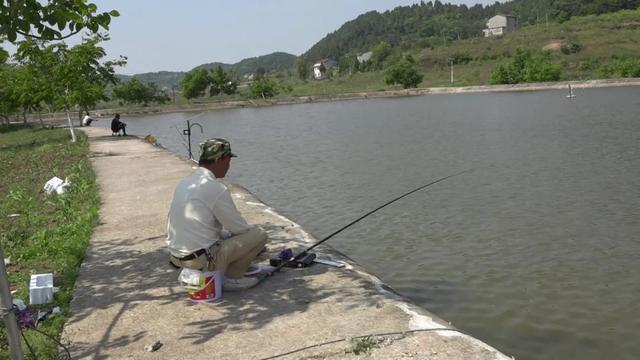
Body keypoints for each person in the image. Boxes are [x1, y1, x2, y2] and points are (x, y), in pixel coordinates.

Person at [167, 138, 268, 291]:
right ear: (219, 159)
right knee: (259, 234)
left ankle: (219, 271)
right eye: (228, 160)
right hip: (201, 260)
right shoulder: (215, 188)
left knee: (227, 235)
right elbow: (240, 229)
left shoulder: (186, 182)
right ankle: (231, 278)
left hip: (178, 258)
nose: (229, 166)